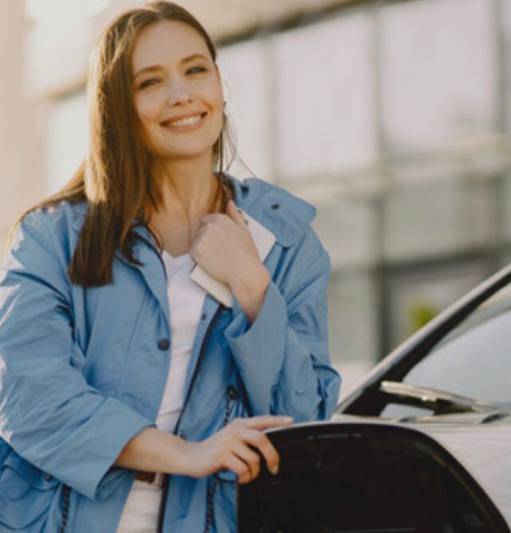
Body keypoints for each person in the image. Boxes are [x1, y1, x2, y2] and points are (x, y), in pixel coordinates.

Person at [0, 2, 341, 532]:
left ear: (220, 84)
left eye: (195, 69)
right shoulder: (52, 239)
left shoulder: (285, 242)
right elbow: (30, 400)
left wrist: (253, 287)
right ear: (119, 108)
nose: (181, 94)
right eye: (150, 81)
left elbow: (303, 424)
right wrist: (188, 454)